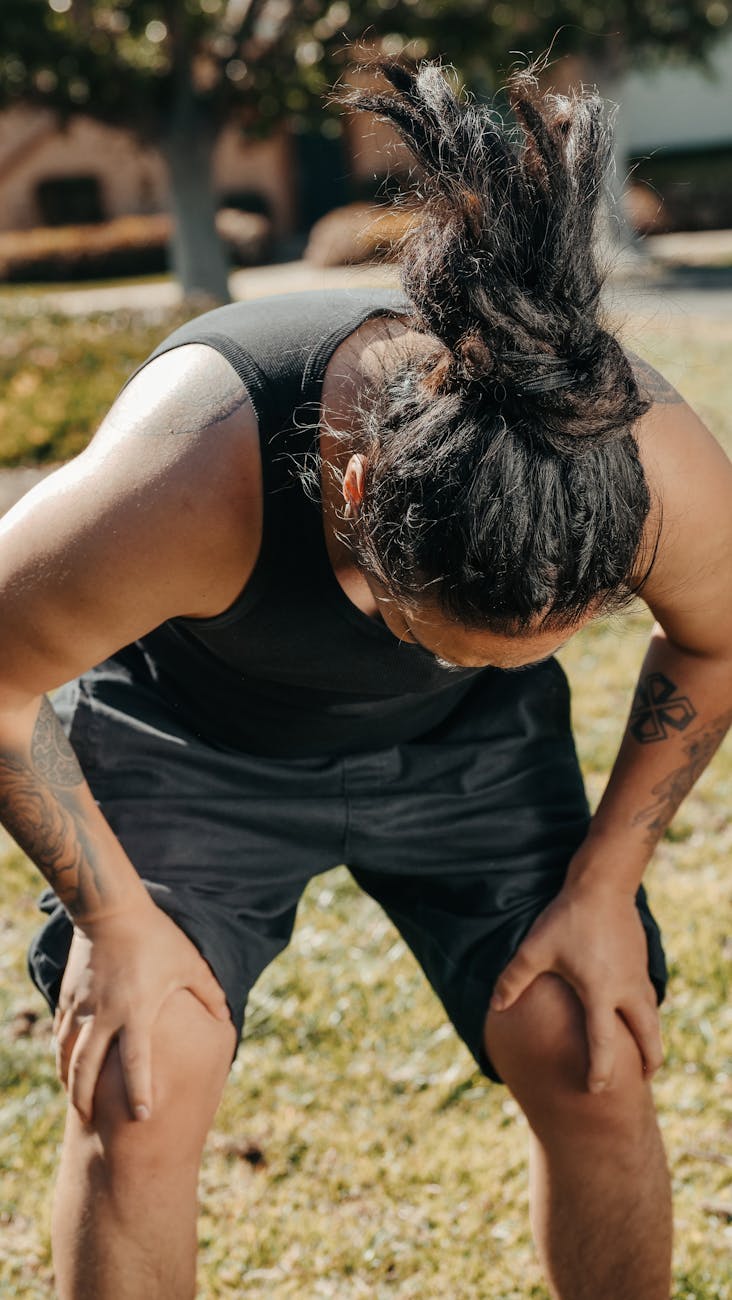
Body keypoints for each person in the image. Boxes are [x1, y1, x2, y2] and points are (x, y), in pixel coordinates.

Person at [0, 59, 730, 1300]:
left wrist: (605, 887)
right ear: (353, 495)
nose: (457, 648)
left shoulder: (637, 459)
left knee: (586, 1036)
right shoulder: (189, 471)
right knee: (143, 1077)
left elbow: (717, 639)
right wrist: (118, 926)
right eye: (440, 631)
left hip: (471, 754)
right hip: (194, 739)